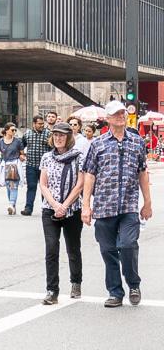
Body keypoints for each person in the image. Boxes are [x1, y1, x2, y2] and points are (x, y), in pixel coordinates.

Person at [82, 100, 153, 308]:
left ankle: (133, 284)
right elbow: (89, 176)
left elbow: (142, 172)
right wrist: (86, 206)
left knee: (128, 245)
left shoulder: (137, 141)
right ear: (108, 119)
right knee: (108, 250)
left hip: (129, 206)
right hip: (104, 207)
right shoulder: (98, 144)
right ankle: (115, 292)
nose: (121, 116)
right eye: (116, 114)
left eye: (122, 113)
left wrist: (147, 202)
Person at [39, 122, 84, 305]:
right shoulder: (47, 158)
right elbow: (43, 184)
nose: (58, 138)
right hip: (50, 209)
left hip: (72, 209)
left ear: (68, 137)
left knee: (73, 248)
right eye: (55, 135)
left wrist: (64, 205)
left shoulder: (78, 157)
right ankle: (52, 290)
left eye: (62, 135)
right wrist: (55, 205)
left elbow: (80, 184)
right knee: (51, 249)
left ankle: (76, 282)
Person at [20, 115, 50, 216]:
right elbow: (21, 146)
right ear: (34, 124)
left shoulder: (49, 134)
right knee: (31, 187)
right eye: (39, 124)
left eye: (43, 123)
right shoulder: (27, 134)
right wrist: (21, 154)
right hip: (31, 165)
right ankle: (28, 208)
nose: (41, 125)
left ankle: (46, 208)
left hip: (45, 167)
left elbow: (53, 149)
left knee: (45, 188)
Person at [0, 123, 25, 215]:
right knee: (8, 186)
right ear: (6, 130)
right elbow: (2, 153)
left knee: (13, 185)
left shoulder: (17, 141)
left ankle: (11, 203)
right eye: (12, 130)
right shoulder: (1, 141)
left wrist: (22, 156)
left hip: (14, 165)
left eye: (15, 130)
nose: (14, 132)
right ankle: (12, 206)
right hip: (5, 165)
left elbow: (22, 153)